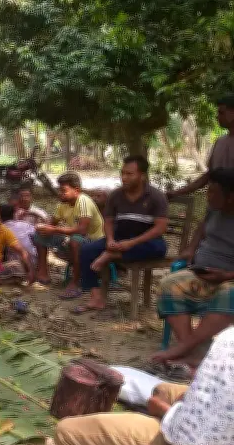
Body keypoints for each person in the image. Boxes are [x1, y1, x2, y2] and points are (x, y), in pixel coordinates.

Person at [55, 326, 234, 445]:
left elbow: (196, 442)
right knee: (162, 390)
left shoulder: (229, 343)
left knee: (68, 435)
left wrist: (166, 412)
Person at [153, 168, 234, 369]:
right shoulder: (214, 210)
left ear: (231, 197)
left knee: (228, 292)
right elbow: (201, 228)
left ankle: (185, 348)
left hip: (229, 278)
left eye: (213, 192)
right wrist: (190, 249)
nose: (208, 196)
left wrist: (226, 275)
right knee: (170, 285)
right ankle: (195, 354)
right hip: (204, 273)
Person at [75, 155, 169, 314]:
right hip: (119, 238)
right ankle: (96, 297)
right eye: (122, 173)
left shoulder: (156, 196)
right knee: (87, 250)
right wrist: (110, 239)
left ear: (142, 175)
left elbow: (160, 228)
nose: (124, 178)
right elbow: (109, 221)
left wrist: (132, 243)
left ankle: (112, 255)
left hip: (145, 240)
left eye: (129, 174)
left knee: (159, 249)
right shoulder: (115, 195)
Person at [31, 172, 104, 297]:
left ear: (76, 190)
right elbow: (52, 223)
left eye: (63, 190)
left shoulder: (83, 201)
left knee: (75, 240)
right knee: (40, 234)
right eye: (59, 190)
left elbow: (82, 230)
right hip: (76, 241)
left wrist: (53, 230)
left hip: (94, 244)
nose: (60, 193)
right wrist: (43, 226)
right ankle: (43, 273)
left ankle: (75, 282)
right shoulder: (62, 204)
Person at [168, 94, 234, 198]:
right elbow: (208, 176)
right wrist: (176, 193)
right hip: (215, 209)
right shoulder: (219, 142)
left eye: (221, 112)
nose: (217, 116)